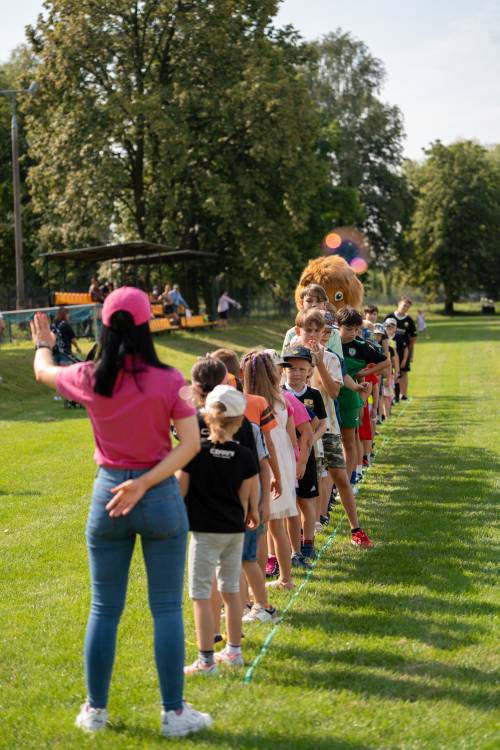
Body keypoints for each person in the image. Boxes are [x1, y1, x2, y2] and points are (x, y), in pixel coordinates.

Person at [30, 286, 212, 738]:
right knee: (167, 608)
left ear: (106, 327)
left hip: (108, 495)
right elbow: (190, 445)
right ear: (147, 324)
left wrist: (43, 346)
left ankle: (95, 711)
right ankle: (173, 715)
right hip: (159, 497)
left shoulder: (90, 376)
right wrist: (147, 482)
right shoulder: (171, 380)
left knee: (104, 608)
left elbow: (42, 372)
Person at [177, 385, 259, 674]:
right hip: (234, 531)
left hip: (203, 532)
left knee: (200, 594)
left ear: (207, 417)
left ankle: (206, 659)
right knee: (231, 590)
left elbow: (180, 491)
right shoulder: (247, 456)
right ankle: (234, 652)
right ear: (239, 422)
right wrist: (252, 513)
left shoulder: (194, 453)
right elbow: (246, 498)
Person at [293, 308, 375, 547]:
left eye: (318, 331)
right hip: (298, 432)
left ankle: (356, 530)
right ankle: (301, 536)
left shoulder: (330, 358)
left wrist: (318, 365)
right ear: (298, 331)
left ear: (324, 334)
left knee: (339, 476)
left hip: (327, 428)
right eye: (308, 330)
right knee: (302, 483)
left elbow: (334, 392)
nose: (313, 335)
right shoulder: (290, 359)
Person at [283, 345, 327, 559]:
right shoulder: (279, 394)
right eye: (292, 368)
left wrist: (309, 441)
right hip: (284, 456)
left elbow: (322, 425)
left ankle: (308, 543)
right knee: (287, 502)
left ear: (310, 370)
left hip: (307, 455)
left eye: (302, 369)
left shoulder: (314, 395)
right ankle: (291, 544)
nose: (297, 373)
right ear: (284, 370)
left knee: (306, 500)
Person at [385, 296, 417, 401]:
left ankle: (403, 394)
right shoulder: (389, 317)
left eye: (407, 306)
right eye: (404, 305)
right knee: (391, 373)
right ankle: (392, 395)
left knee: (403, 372)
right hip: (389, 350)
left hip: (403, 351)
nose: (405, 308)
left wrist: (411, 355)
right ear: (399, 304)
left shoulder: (409, 321)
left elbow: (413, 339)